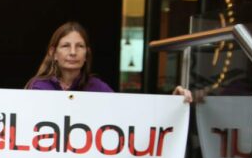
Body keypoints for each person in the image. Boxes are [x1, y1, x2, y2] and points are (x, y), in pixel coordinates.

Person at [26, 21, 193, 101]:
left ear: (86, 54)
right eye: (65, 46)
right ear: (53, 53)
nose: (72, 52)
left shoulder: (97, 88)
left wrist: (174, 102)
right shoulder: (37, 87)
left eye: (79, 46)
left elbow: (134, 117)